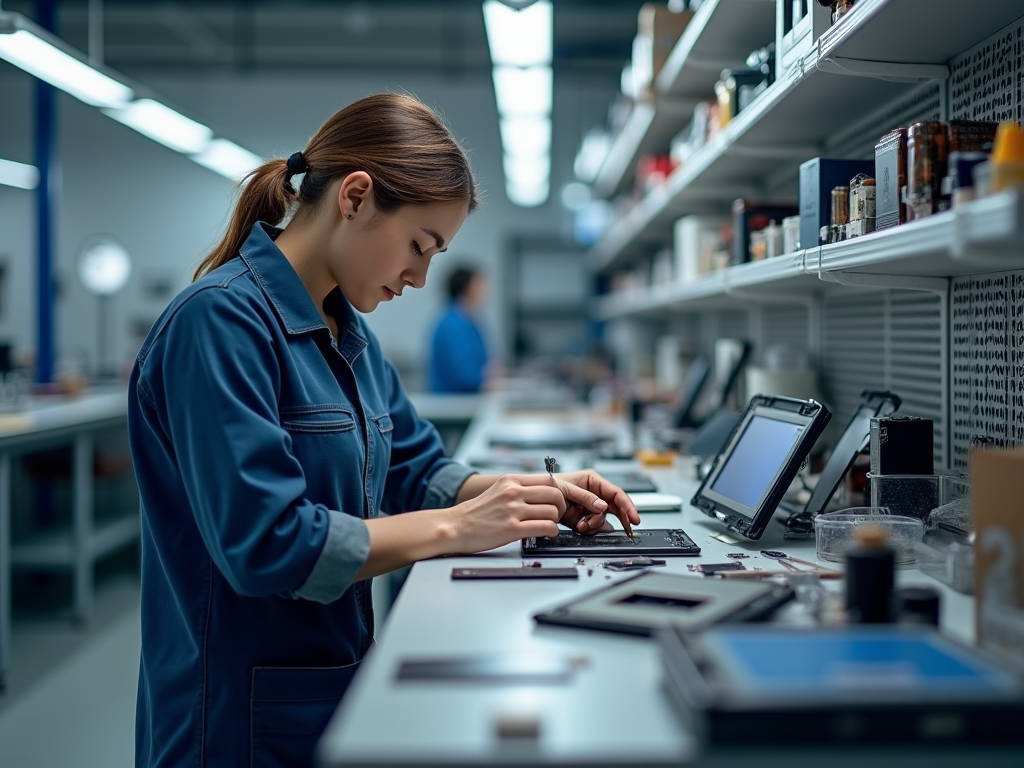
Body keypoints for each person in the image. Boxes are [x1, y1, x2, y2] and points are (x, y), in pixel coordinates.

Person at [127, 93, 640, 768]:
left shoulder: (349, 334)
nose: (422, 277)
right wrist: (463, 528)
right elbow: (267, 543)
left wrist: (533, 492)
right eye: (419, 246)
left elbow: (414, 468)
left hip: (323, 685)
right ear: (356, 197)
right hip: (233, 716)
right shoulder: (219, 324)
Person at [429, 265, 490, 393]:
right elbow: (464, 377)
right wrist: (489, 377)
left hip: (467, 401)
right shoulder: (452, 326)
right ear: (468, 288)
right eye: (479, 286)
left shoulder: (468, 321)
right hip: (452, 406)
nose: (485, 292)